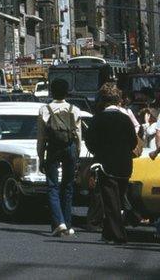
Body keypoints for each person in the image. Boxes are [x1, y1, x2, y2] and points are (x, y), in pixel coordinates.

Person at [86, 82, 139, 245]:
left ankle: (119, 236)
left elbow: (90, 142)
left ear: (103, 99)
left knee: (111, 202)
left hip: (105, 165)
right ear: (118, 99)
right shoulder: (125, 119)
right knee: (117, 198)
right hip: (125, 165)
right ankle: (108, 233)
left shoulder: (98, 119)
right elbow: (132, 142)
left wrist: (100, 152)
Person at [37, 78, 81, 237]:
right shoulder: (74, 109)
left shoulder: (45, 109)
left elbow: (41, 137)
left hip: (53, 148)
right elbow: (78, 135)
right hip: (69, 148)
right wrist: (77, 154)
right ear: (66, 92)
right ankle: (68, 225)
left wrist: (41, 157)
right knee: (68, 186)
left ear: (51, 91)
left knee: (52, 186)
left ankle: (59, 222)